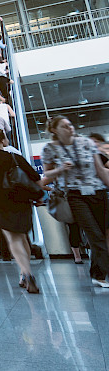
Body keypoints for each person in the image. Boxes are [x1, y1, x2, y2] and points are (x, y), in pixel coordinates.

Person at [41, 116, 109, 287]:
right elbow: (47, 175)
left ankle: (97, 272)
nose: (70, 128)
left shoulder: (86, 143)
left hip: (97, 191)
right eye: (64, 126)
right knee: (95, 235)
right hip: (75, 194)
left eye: (70, 125)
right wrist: (61, 169)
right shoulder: (50, 148)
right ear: (54, 130)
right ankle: (100, 276)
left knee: (102, 233)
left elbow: (100, 169)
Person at [0, 127, 45, 293]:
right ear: (2, 140)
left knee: (12, 238)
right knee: (22, 237)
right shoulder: (13, 157)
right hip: (19, 201)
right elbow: (34, 176)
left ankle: (26, 272)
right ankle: (25, 272)